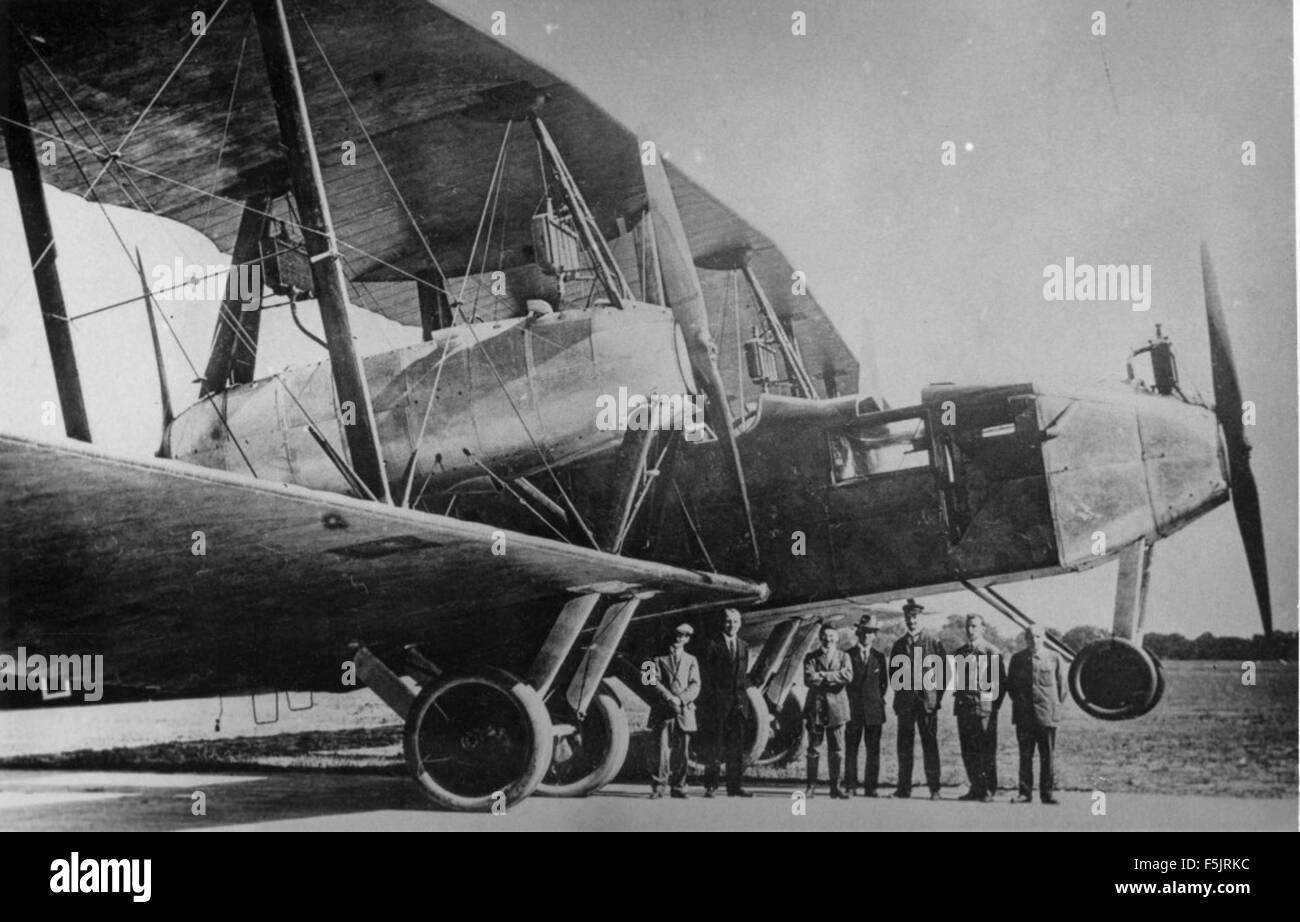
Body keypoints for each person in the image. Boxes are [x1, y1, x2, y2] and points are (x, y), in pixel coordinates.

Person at [890, 599, 945, 799]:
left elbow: (943, 675)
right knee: (904, 747)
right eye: (908, 617)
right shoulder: (898, 645)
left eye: (915, 617)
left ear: (921, 618)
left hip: (927, 704)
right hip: (905, 704)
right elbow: (894, 676)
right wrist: (899, 700)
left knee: (930, 745)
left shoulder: (934, 642)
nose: (911, 621)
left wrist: (935, 699)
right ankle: (903, 788)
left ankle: (934, 789)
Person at [1006, 624, 1067, 805]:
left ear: (1044, 638)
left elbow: (1062, 688)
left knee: (1047, 756)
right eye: (1031, 637)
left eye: (1039, 636)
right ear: (1026, 638)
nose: (1035, 640)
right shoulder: (1017, 659)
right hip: (1024, 716)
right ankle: (1025, 793)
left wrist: (1051, 707)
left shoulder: (1054, 658)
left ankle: (1047, 794)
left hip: (1046, 715)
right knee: (1025, 755)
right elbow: (1011, 687)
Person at [952, 614, 1006, 802]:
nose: (970, 630)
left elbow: (1000, 684)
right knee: (968, 751)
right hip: (964, 709)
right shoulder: (960, 653)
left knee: (986, 751)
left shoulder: (992, 652)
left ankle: (988, 790)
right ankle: (975, 787)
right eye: (968, 626)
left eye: (975, 626)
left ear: (983, 628)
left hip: (985, 710)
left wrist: (992, 707)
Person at [701, 608, 754, 798]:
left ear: (740, 624)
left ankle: (735, 786)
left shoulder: (744, 646)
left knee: (736, 748)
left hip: (738, 705)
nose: (731, 625)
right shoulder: (712, 645)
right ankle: (711, 786)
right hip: (717, 704)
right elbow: (706, 677)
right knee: (714, 746)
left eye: (735, 621)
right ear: (722, 623)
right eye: (728, 621)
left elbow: (741, 676)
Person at [648, 623, 701, 799]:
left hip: (684, 711)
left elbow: (695, 684)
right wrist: (668, 697)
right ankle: (658, 787)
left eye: (684, 635)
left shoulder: (692, 659)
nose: (679, 638)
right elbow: (650, 680)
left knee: (682, 752)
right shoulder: (656, 657)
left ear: (688, 639)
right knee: (661, 750)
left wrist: (682, 699)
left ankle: (679, 787)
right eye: (676, 634)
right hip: (664, 710)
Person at [803, 623, 853, 799]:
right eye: (825, 635)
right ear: (820, 637)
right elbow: (809, 678)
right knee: (813, 748)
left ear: (837, 638)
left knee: (837, 749)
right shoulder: (811, 656)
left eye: (832, 636)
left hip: (838, 708)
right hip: (816, 708)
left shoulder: (844, 656)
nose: (828, 639)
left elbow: (847, 676)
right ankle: (811, 787)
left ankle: (835, 787)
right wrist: (834, 676)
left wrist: (823, 675)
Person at [844, 613, 888, 797]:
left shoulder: (879, 657)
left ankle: (871, 787)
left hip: (873, 711)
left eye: (871, 632)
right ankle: (850, 785)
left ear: (875, 635)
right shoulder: (847, 655)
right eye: (864, 631)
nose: (867, 635)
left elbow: (883, 684)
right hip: (853, 710)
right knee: (851, 749)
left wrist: (874, 701)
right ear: (858, 632)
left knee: (873, 751)